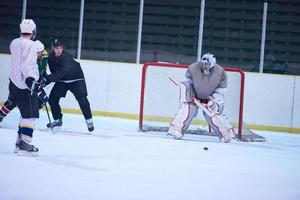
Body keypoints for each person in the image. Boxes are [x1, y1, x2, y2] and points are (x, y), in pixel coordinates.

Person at [167, 53, 235, 142]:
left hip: (211, 98)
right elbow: (189, 83)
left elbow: (221, 90)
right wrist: (189, 92)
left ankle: (226, 135)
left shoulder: (220, 72)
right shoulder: (193, 68)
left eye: (206, 64)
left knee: (213, 115)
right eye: (202, 64)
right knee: (187, 111)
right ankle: (177, 131)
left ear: (212, 63)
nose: (204, 66)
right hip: (194, 96)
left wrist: (213, 100)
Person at [43, 37, 94, 132]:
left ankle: (89, 121)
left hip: (76, 79)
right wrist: (44, 80)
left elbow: (59, 74)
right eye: (56, 48)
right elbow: (55, 74)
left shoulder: (67, 57)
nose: (59, 50)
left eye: (60, 48)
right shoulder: (50, 58)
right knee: (53, 99)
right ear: (53, 48)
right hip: (63, 80)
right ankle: (58, 119)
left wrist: (46, 80)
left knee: (82, 99)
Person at [8, 19, 41, 155]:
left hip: (13, 83)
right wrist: (30, 80)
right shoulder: (32, 45)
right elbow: (27, 65)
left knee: (24, 114)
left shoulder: (14, 42)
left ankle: (19, 142)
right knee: (30, 115)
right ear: (33, 31)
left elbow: (18, 62)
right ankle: (24, 145)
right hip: (24, 86)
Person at [0, 40, 49, 122]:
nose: (41, 54)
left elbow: (40, 72)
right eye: (39, 52)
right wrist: (39, 87)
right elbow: (29, 77)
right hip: (19, 84)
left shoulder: (42, 57)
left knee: (13, 101)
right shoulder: (27, 59)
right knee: (12, 102)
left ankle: (24, 117)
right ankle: (25, 118)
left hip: (23, 85)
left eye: (41, 52)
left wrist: (43, 77)